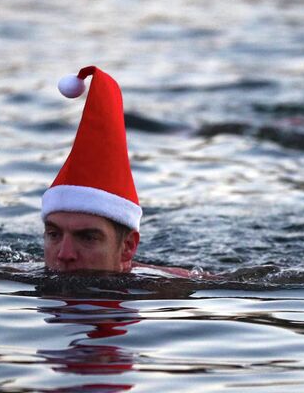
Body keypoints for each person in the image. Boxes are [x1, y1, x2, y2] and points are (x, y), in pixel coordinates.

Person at [41, 65, 196, 277]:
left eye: (87, 237)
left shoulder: (169, 288)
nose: (64, 254)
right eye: (53, 234)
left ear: (127, 247)